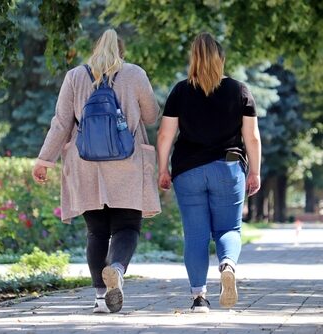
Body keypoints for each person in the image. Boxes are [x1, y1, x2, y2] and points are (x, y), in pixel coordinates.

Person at [32, 29, 161, 313]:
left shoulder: (75, 76)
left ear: (93, 51)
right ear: (122, 52)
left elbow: (61, 122)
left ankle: (101, 298)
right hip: (126, 163)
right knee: (127, 226)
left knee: (96, 232)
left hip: (85, 164)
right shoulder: (134, 74)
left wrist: (44, 160)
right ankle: (116, 267)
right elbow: (151, 116)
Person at [157, 32, 261, 313]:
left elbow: (165, 135)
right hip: (228, 168)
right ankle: (227, 264)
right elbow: (251, 138)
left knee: (195, 235)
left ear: (194, 59)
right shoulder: (239, 91)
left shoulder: (180, 91)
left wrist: (162, 169)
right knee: (228, 228)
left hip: (188, 171)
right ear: (221, 59)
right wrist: (255, 172)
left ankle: (199, 298)